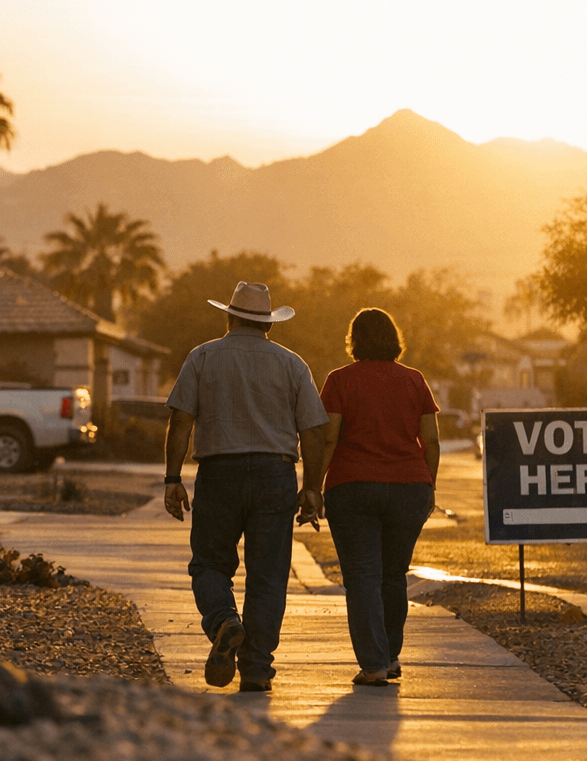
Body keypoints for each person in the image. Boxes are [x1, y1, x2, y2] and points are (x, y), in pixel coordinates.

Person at [163, 281, 329, 693]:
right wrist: (312, 489)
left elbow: (181, 422)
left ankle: (224, 621)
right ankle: (256, 669)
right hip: (276, 475)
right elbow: (313, 432)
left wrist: (172, 479)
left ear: (229, 316)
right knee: (269, 575)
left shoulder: (202, 357)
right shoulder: (293, 364)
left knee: (209, 564)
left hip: (219, 473)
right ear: (269, 325)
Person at [309, 307, 440, 686]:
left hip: (352, 488)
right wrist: (428, 484)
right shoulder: (415, 381)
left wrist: (314, 487)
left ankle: (374, 663)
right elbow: (430, 440)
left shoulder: (339, 380)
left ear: (354, 340)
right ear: (394, 339)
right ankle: (391, 655)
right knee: (393, 574)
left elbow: (328, 437)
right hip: (409, 487)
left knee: (363, 575)